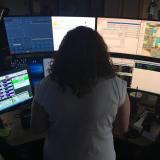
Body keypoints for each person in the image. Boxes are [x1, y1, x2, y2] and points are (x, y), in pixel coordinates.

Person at [31, 26, 130, 160]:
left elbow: (37, 128)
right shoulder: (118, 86)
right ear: (101, 54)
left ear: (63, 54)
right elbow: (122, 129)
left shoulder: (45, 86)